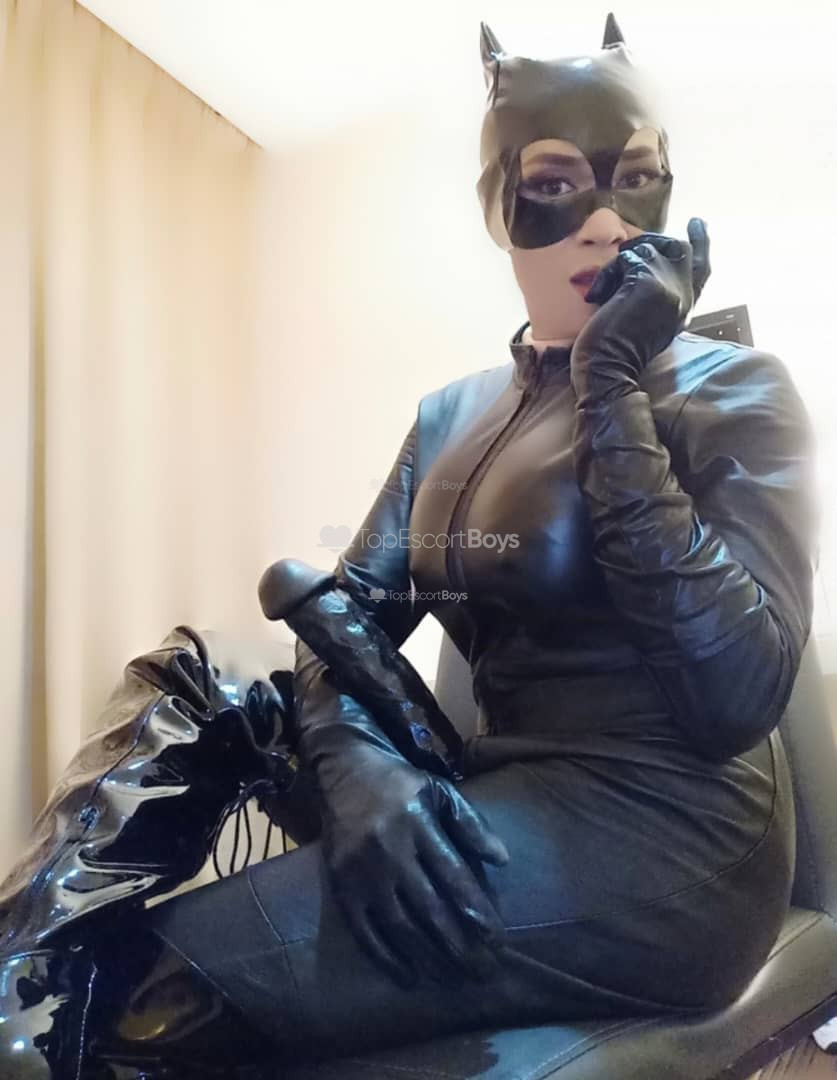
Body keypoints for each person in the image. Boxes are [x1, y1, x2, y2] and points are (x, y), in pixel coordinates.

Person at [0, 14, 820, 1078]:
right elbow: (347, 620)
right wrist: (360, 772)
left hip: (667, 842)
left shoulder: (737, 388)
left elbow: (738, 694)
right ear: (498, 204)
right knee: (203, 679)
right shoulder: (452, 414)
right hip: (493, 785)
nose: (604, 223)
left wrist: (613, 385)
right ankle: (16, 982)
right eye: (555, 182)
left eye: (638, 180)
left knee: (145, 990)